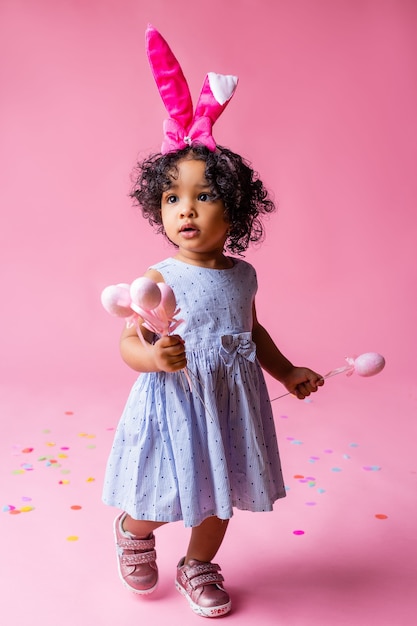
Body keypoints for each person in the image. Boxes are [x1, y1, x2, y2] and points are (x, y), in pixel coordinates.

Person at [102, 26, 324, 619]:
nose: (187, 209)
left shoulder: (243, 275)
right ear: (159, 210)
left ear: (236, 208)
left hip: (229, 401)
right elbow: (130, 339)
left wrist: (287, 372)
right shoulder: (160, 276)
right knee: (165, 491)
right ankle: (134, 528)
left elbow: (251, 333)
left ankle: (198, 562)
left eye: (203, 196)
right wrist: (152, 357)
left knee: (218, 499)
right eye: (173, 198)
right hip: (177, 399)